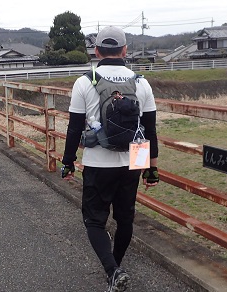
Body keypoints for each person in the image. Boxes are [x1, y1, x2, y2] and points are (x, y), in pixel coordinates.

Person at [61, 26, 159, 292]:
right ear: (125, 50)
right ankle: (114, 269)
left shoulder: (84, 81)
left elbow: (73, 127)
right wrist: (152, 168)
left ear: (96, 50)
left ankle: (112, 271)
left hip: (97, 162)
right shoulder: (141, 82)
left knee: (94, 220)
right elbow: (150, 130)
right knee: (125, 219)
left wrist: (67, 161)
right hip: (133, 162)